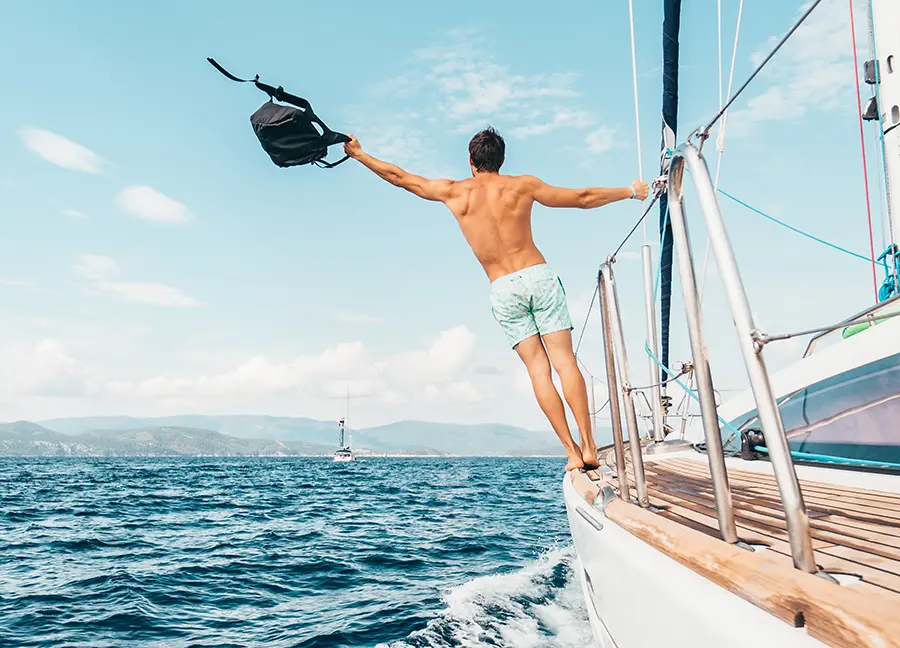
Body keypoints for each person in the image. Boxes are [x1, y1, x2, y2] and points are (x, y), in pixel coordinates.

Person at [344, 127, 648, 471]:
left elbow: (400, 177)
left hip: (503, 287)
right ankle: (591, 446)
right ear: (501, 160)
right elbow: (583, 197)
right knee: (565, 362)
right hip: (538, 275)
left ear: (472, 162)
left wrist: (359, 154)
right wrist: (629, 191)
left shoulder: (454, 192)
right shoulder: (523, 186)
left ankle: (572, 453)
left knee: (538, 370)